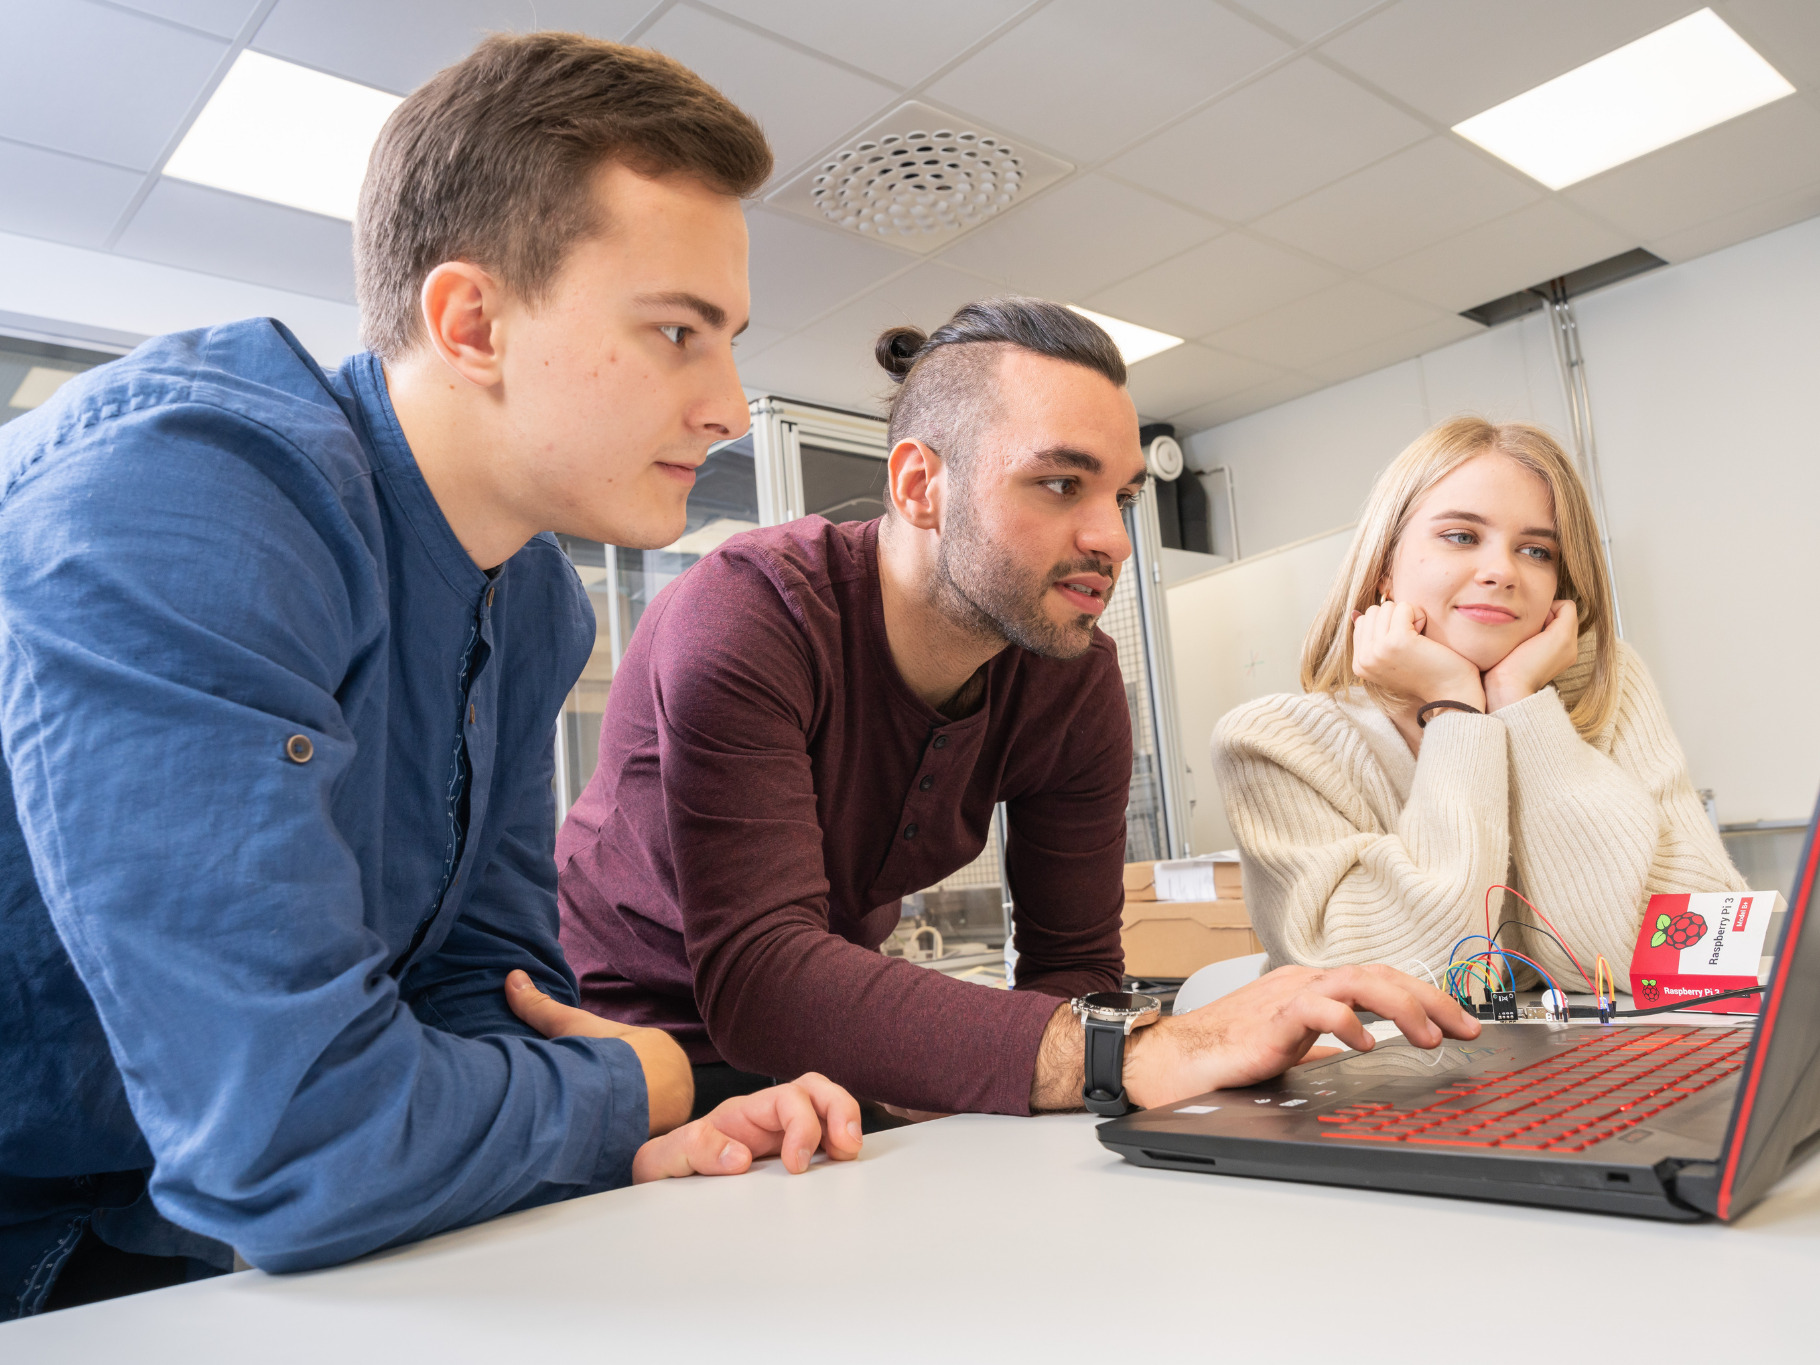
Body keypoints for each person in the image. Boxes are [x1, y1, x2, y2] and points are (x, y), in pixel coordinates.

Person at [0, 34, 863, 1321]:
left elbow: (483, 994)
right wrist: (647, 1089)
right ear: (472, 323)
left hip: (143, 1231)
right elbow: (295, 1143)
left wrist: (615, 1131)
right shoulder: (188, 498)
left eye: (727, 339)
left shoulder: (530, 607)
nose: (728, 406)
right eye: (678, 332)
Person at [557, 296, 1478, 1124]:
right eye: (1059, 483)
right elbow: (761, 976)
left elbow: (1072, 970)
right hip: (625, 1059)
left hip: (826, 1064)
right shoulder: (749, 615)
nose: (1111, 538)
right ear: (920, 486)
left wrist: (1008, 1064)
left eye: (1120, 495)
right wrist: (1146, 1049)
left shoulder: (1070, 675)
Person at [1214, 417, 1745, 990]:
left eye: (1537, 550)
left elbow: (1707, 957)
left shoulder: (1610, 691)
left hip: (1586, 1065)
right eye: (1462, 536)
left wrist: (1522, 708)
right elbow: (1427, 981)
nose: (1502, 571)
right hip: (1392, 1077)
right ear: (1384, 566)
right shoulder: (1273, 742)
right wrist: (1456, 712)